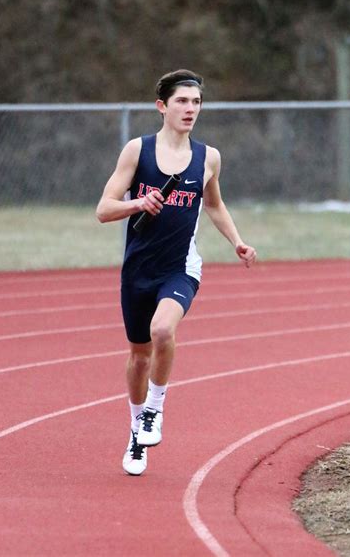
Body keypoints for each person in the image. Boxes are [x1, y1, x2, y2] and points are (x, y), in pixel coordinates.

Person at [96, 69, 257, 476]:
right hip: (138, 270)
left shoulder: (208, 158)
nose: (190, 109)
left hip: (180, 268)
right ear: (162, 106)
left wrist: (236, 241)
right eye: (182, 101)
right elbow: (104, 210)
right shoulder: (138, 151)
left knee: (163, 330)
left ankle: (155, 408)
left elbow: (215, 205)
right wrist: (138, 204)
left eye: (197, 102)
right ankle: (136, 429)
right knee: (137, 355)